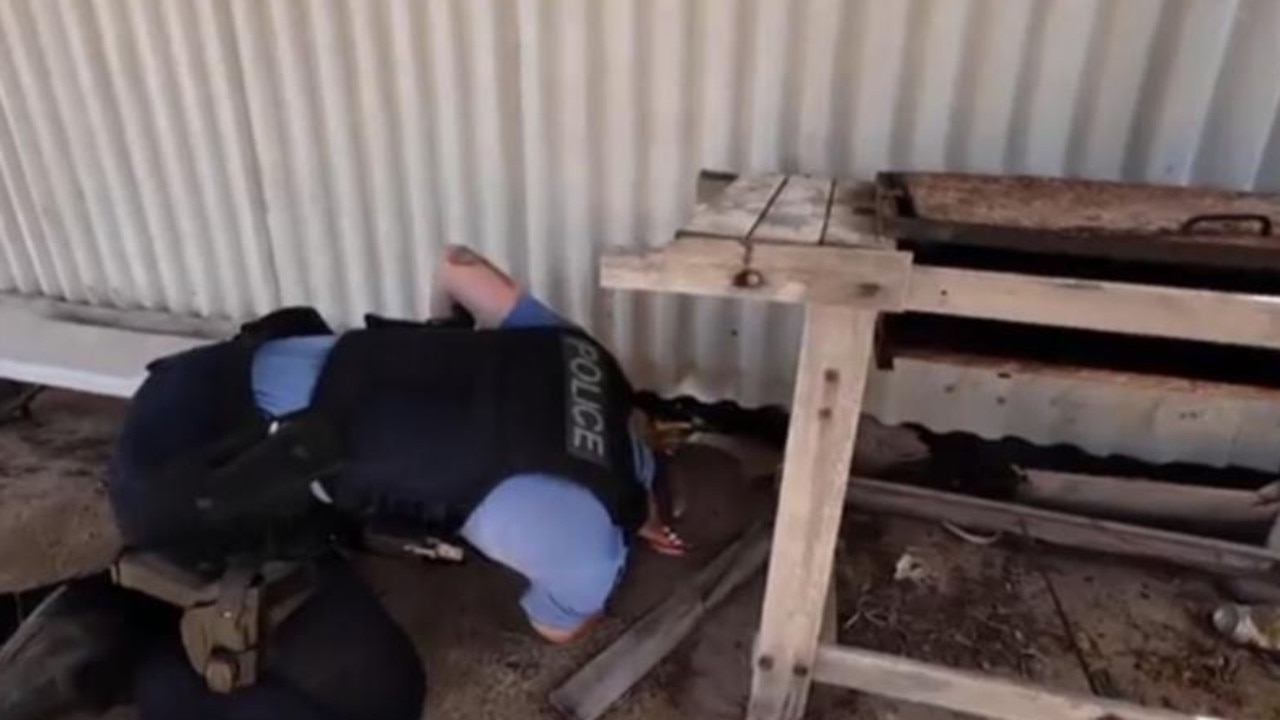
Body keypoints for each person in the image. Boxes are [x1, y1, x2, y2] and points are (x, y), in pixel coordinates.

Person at [0, 246, 684, 720]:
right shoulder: (590, 546)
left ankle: (121, 602)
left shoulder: (580, 353)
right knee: (383, 693)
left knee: (348, 457)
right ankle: (139, 648)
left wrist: (439, 338)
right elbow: (559, 628)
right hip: (196, 486)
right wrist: (604, 556)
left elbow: (458, 263)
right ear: (643, 517)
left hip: (196, 380)